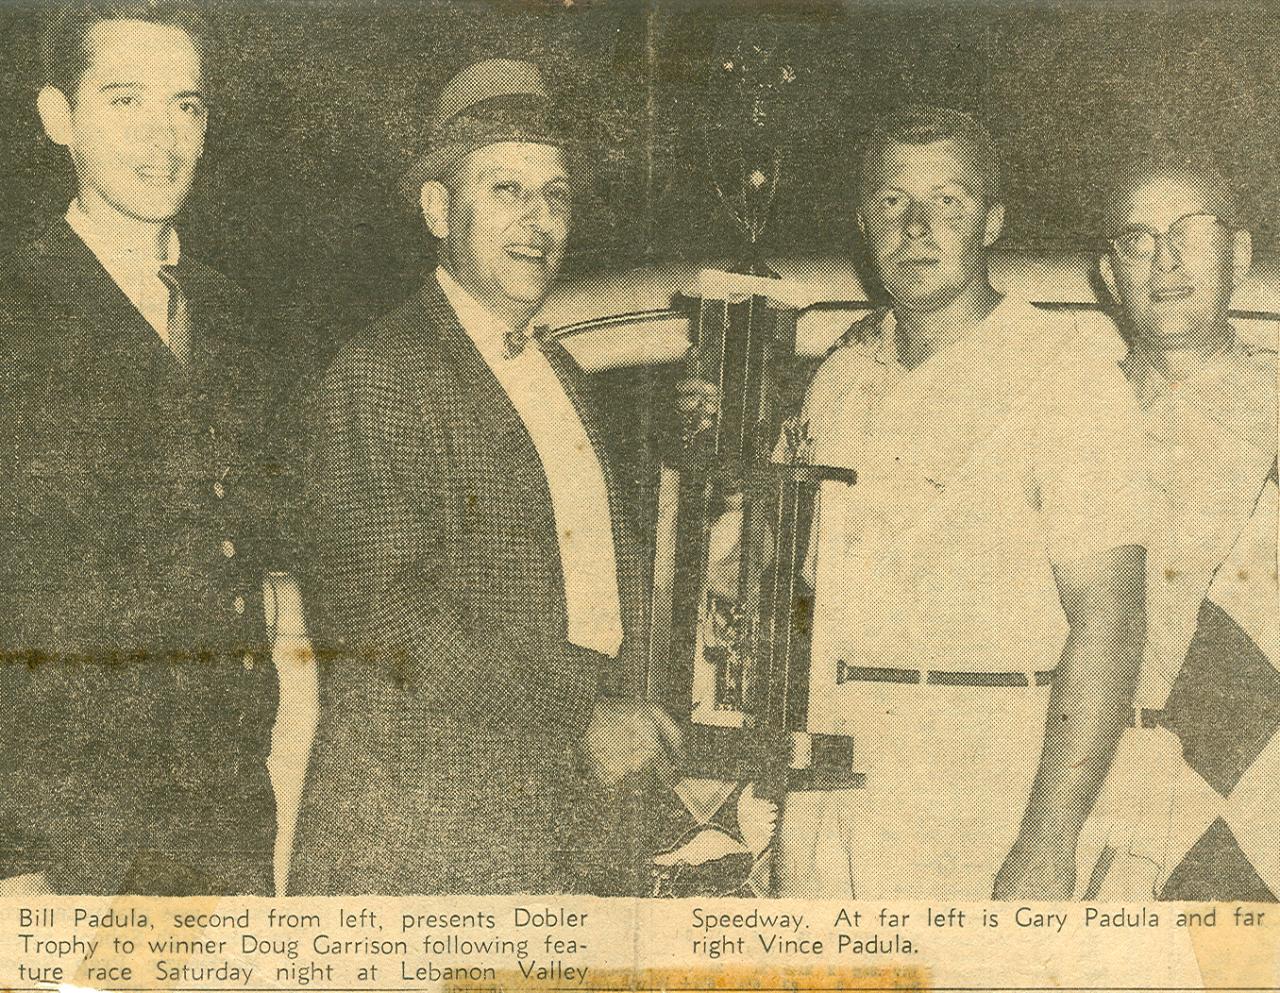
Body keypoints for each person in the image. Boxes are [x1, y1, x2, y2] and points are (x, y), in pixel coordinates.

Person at [693, 105, 1150, 899]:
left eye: (948, 201)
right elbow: (760, 581)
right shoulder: (839, 380)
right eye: (893, 201)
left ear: (992, 222)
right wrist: (724, 465)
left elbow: (1110, 621)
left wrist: (1048, 837)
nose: (916, 228)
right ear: (863, 223)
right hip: (827, 794)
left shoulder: (1064, 373)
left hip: (981, 795)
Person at [290, 59, 682, 895]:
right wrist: (581, 716)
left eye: (557, 195)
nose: (539, 221)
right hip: (426, 830)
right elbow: (388, 614)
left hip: (556, 817)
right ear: (438, 209)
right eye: (508, 189)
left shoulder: (560, 371)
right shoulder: (384, 370)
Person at [0, 0, 280, 895]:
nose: (164, 137)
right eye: (126, 100)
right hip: (79, 846)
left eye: (185, 105)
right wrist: (15, 860)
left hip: (229, 821)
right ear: (59, 117)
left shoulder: (232, 314)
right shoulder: (18, 311)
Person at [1079, 157, 1278, 901]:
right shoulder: (1063, 413)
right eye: (1137, 241)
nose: (1163, 260)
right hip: (1103, 787)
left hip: (1263, 792)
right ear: (1109, 273)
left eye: (1188, 234)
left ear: (1240, 255)